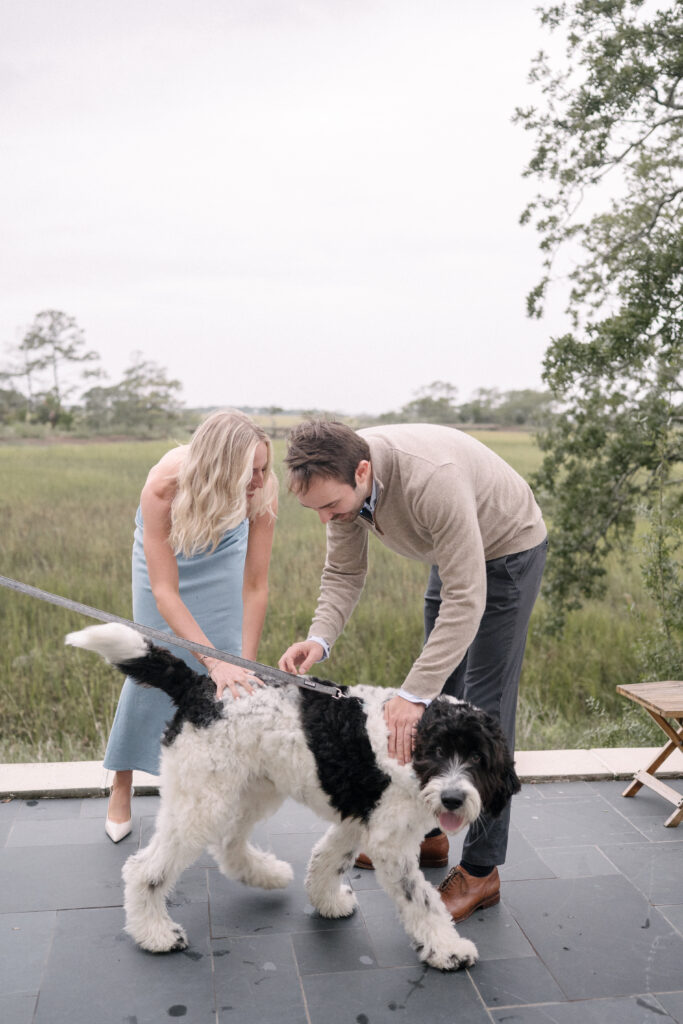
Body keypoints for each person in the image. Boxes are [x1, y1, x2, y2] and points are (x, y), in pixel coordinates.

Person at [279, 420, 547, 922]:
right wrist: (319, 639)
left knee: (484, 711)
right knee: (436, 706)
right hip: (452, 554)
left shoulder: (431, 480)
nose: (325, 518)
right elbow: (343, 572)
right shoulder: (339, 482)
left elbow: (466, 600)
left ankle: (481, 870)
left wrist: (413, 692)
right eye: (314, 509)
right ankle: (430, 834)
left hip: (506, 550)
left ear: (362, 472)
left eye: (330, 506)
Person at [103, 409, 278, 842]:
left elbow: (255, 586)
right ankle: (121, 785)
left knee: (226, 668)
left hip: (224, 551)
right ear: (222, 467)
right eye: (251, 472)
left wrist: (241, 663)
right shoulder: (163, 487)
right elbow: (165, 591)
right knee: (151, 666)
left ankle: (215, 791)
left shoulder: (261, 490)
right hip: (167, 562)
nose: (260, 481)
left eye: (263, 468)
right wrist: (215, 663)